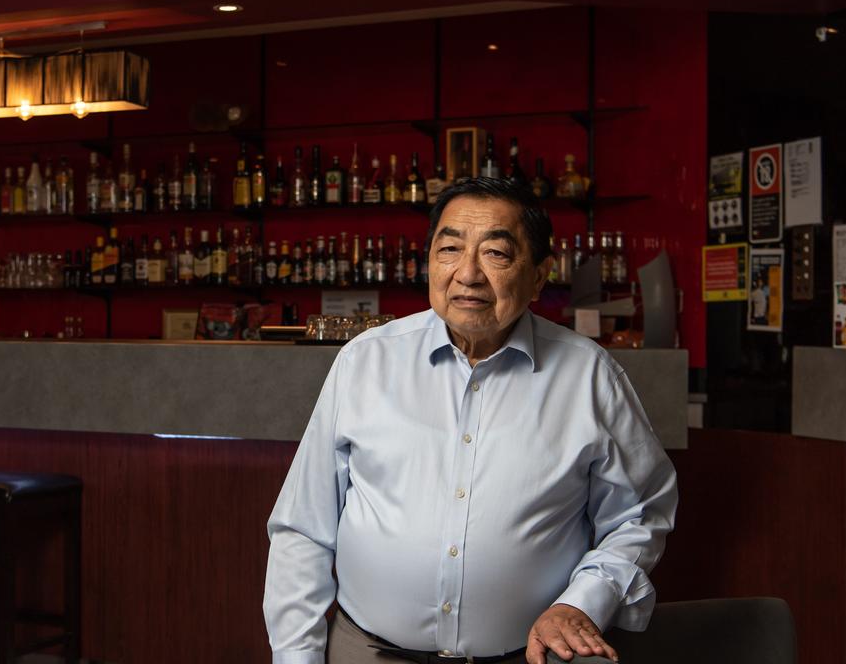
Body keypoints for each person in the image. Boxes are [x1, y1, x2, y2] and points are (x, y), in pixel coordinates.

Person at [264, 177, 677, 664]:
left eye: (497, 254)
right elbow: (303, 530)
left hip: (526, 655)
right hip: (367, 651)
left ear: (540, 275)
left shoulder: (591, 377)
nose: (468, 274)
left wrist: (581, 602)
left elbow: (641, 514)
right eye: (450, 249)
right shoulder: (365, 363)